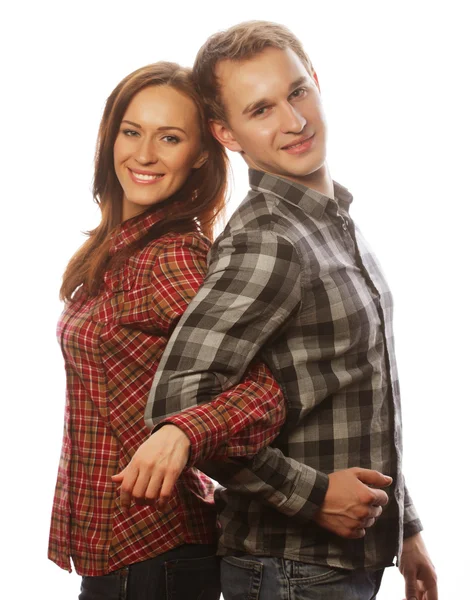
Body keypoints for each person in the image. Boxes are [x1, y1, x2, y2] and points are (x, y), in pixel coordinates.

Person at [115, 22, 440, 600]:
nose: (294, 122)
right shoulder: (269, 237)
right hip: (289, 569)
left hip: (346, 563)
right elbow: (177, 404)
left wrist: (406, 528)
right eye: (260, 109)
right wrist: (312, 495)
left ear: (315, 81)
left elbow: (361, 394)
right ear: (227, 133)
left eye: (296, 92)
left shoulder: (331, 219)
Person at [48, 61, 286, 600]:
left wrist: (182, 433)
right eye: (132, 131)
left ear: (200, 153)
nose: (145, 154)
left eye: (170, 137)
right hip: (124, 551)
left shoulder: (172, 256)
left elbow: (264, 390)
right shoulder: (116, 251)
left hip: (154, 552)